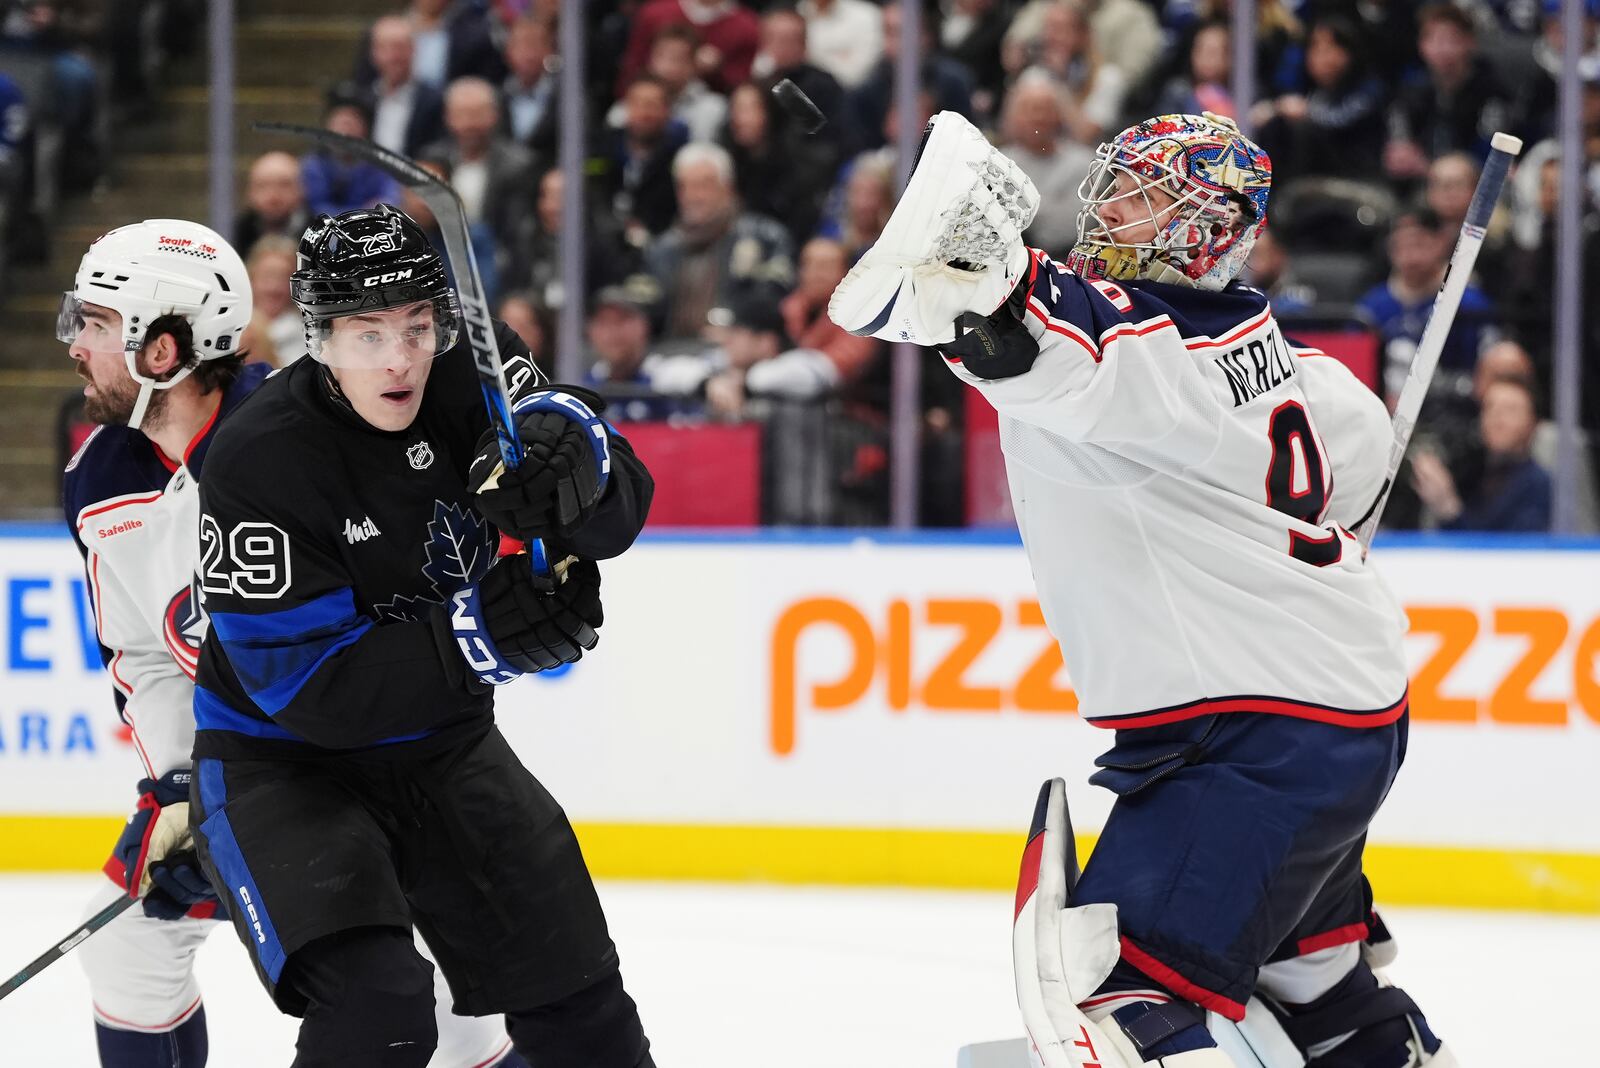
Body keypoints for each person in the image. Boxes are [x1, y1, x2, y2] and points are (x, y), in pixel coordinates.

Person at [831, 110, 1450, 1067]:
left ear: (1201, 231)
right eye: (1115, 181)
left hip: (1254, 737)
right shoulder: (1300, 369)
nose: (1107, 203)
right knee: (1314, 984)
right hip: (1342, 719)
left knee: (1127, 1001)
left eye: (1142, 191)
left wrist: (968, 248)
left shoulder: (1142, 351)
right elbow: (1358, 473)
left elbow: (1010, 324)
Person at [185, 203, 656, 1067]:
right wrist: (476, 637)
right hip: (285, 766)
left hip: (446, 745)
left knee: (584, 1009)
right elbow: (306, 692)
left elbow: (617, 509)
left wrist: (582, 465)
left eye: (417, 325)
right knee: (381, 1010)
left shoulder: (474, 367)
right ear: (317, 338)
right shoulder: (259, 460)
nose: (401, 357)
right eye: (368, 334)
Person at [58, 219, 526, 1068]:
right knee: (129, 945)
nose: (73, 345)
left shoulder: (310, 435)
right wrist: (177, 789)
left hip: (383, 757)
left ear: (159, 349)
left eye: (92, 323)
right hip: (248, 767)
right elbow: (149, 656)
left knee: (458, 1004)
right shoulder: (99, 482)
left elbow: (394, 633)